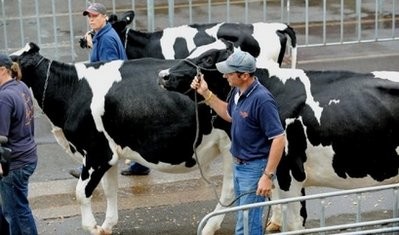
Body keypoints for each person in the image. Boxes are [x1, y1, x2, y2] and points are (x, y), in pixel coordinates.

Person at [190, 50, 285, 235]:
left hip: (255, 168)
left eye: (229, 72)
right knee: (244, 218)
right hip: (239, 165)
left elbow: (279, 138)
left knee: (248, 224)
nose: (225, 75)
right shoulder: (237, 91)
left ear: (244, 75)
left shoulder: (262, 100)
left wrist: (267, 176)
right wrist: (206, 94)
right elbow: (229, 114)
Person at [69, 2, 149, 178]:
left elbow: (108, 69)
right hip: (122, 90)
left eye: (95, 16)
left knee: (92, 132)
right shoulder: (103, 35)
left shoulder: (105, 39)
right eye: (89, 17)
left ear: (104, 17)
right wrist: (93, 44)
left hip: (114, 93)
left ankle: (89, 169)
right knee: (130, 131)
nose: (91, 20)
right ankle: (140, 165)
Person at [0, 54, 38, 234]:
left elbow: (1, 137)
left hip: (14, 163)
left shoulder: (4, 97)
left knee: (16, 211)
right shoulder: (21, 86)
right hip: (28, 156)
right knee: (16, 209)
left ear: (2, 70)